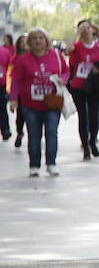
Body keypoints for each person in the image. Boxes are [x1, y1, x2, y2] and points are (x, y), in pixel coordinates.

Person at [8, 28, 68, 177]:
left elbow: (66, 71)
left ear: (47, 40)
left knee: (51, 133)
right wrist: (13, 99)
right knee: (34, 135)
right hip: (30, 105)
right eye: (34, 38)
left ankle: (51, 164)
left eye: (41, 38)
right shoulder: (23, 59)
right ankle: (34, 165)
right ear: (29, 42)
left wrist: (63, 80)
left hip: (52, 103)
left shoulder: (57, 56)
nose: (38, 41)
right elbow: (16, 80)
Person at [67, 19, 99, 160]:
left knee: (94, 116)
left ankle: (93, 140)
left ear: (93, 30)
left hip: (95, 85)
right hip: (79, 85)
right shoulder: (76, 46)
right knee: (83, 116)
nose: (86, 30)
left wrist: (98, 67)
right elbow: (73, 63)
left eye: (88, 28)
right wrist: (73, 52)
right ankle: (85, 147)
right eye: (83, 29)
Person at [10, 34, 26, 149]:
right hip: (20, 92)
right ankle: (19, 133)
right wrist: (12, 96)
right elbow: (12, 77)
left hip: (33, 92)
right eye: (22, 42)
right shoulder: (15, 58)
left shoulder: (36, 56)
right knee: (20, 115)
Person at [0, 33, 13, 142]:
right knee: (2, 108)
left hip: (2, 84)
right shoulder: (5, 52)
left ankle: (5, 130)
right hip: (2, 84)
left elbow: (11, 68)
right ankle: (5, 130)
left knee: (2, 108)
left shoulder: (5, 52)